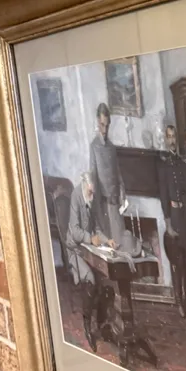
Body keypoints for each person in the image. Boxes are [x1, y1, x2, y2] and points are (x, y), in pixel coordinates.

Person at [66, 172, 116, 352]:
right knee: (91, 281)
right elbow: (74, 231)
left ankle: (101, 324)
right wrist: (90, 238)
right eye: (90, 191)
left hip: (89, 250)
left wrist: (107, 240)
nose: (91, 195)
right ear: (84, 185)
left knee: (106, 281)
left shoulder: (91, 197)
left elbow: (96, 229)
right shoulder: (76, 197)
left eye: (93, 192)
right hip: (75, 250)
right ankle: (87, 325)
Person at [158, 124, 186, 316]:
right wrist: (168, 223)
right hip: (173, 217)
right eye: (169, 137)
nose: (171, 140)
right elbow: (164, 196)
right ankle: (180, 300)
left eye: (173, 137)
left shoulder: (182, 164)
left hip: (184, 217)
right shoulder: (164, 166)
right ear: (166, 139)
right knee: (177, 262)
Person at [89, 102, 127, 246]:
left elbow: (117, 172)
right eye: (102, 125)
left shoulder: (111, 147)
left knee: (121, 240)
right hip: (103, 203)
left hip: (115, 201)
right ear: (98, 122)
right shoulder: (94, 146)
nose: (104, 129)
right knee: (109, 242)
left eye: (107, 125)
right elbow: (93, 174)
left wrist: (122, 191)